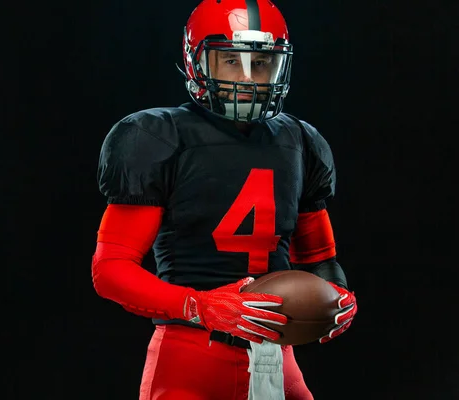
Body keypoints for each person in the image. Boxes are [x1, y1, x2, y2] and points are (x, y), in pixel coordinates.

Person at [91, 0, 358, 398]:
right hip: (191, 354)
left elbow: (321, 260)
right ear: (197, 62)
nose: (250, 78)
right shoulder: (159, 137)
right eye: (232, 61)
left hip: (275, 356)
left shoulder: (300, 141)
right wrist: (199, 306)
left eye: (263, 62)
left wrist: (338, 298)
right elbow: (110, 270)